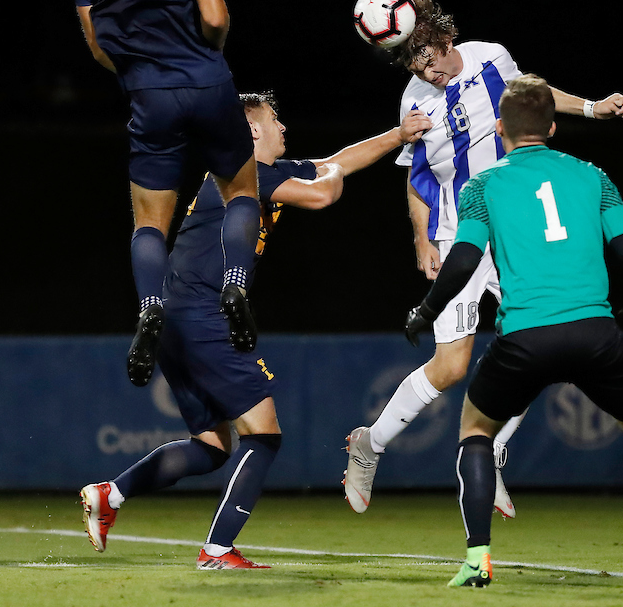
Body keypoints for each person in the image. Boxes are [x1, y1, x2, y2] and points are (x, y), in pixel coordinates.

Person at [403, 75, 623, 588]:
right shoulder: (593, 176)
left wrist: (427, 310)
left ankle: (477, 562)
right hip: (595, 334)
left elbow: (463, 259)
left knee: (475, 431)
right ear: (553, 126)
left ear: (500, 129)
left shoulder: (483, 185)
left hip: (525, 337)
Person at [79, 93, 431, 570]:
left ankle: (111, 494)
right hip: (203, 315)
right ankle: (218, 550)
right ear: (252, 132)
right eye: (275, 119)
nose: (284, 127)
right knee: (264, 437)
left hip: (172, 319)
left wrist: (396, 136)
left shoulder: (254, 174)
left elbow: (335, 161)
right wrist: (330, 174)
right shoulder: (246, 176)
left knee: (212, 446)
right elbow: (326, 188)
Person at [344, 0, 623, 519]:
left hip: (514, 234)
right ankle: (370, 443)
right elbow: (417, 177)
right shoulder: (413, 101)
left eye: (425, 56)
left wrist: (592, 108)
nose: (422, 69)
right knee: (451, 365)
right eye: (410, 61)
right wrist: (421, 238)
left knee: (535, 345)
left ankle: (494, 451)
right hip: (461, 237)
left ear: (443, 36)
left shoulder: (491, 57)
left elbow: (535, 97)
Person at [73, 0, 259, 388]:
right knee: (242, 191)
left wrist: (138, 74)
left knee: (149, 221)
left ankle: (151, 304)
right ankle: (235, 282)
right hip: (207, 80)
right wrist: (208, 52)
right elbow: (216, 14)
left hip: (148, 97)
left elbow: (97, 45)